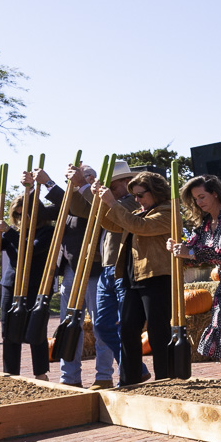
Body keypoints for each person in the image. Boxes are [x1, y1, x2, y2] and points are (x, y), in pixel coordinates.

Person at [169, 175, 221, 380]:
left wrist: (189, 253)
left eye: (202, 196)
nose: (199, 202)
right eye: (195, 199)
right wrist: (178, 249)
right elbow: (192, 250)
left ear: (215, 193)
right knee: (218, 325)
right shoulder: (205, 223)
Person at [95, 170, 174, 386]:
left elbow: (141, 227)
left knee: (158, 331)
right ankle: (129, 380)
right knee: (127, 329)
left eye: (140, 195)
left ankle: (166, 379)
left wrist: (113, 203)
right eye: (135, 196)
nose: (136, 200)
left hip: (156, 278)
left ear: (156, 192)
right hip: (132, 279)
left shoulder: (168, 211)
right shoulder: (140, 212)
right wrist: (101, 201)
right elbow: (110, 223)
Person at [36, 162, 110, 387]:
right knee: (69, 326)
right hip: (70, 271)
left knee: (100, 326)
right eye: (76, 175)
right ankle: (69, 378)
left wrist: (49, 182)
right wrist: (32, 189)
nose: (78, 179)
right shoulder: (67, 201)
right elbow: (38, 212)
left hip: (93, 271)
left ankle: (104, 376)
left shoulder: (96, 201)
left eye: (85, 176)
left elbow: (80, 207)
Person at [0, 193, 57, 377]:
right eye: (17, 215)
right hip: (11, 284)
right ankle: (11, 373)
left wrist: (9, 233)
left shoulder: (47, 232)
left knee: (36, 329)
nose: (20, 218)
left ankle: (41, 373)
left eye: (24, 214)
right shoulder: (12, 232)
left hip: (36, 286)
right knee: (9, 330)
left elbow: (30, 249)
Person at [89, 161, 135, 389]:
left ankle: (129, 372)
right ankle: (138, 369)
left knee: (125, 324)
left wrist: (103, 198)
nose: (108, 189)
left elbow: (118, 215)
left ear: (125, 183)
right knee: (102, 325)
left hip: (121, 267)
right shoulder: (110, 203)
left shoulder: (131, 202)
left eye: (112, 184)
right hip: (106, 269)